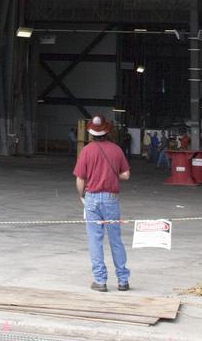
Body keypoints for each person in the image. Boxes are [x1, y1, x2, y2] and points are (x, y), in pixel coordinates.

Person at [73, 114, 131, 292]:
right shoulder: (116, 150)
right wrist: (113, 175)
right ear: (107, 130)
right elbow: (126, 175)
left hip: (92, 199)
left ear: (90, 133)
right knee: (115, 239)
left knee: (95, 240)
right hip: (111, 199)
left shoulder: (87, 151)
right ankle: (122, 280)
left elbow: (80, 179)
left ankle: (100, 281)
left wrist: (82, 196)